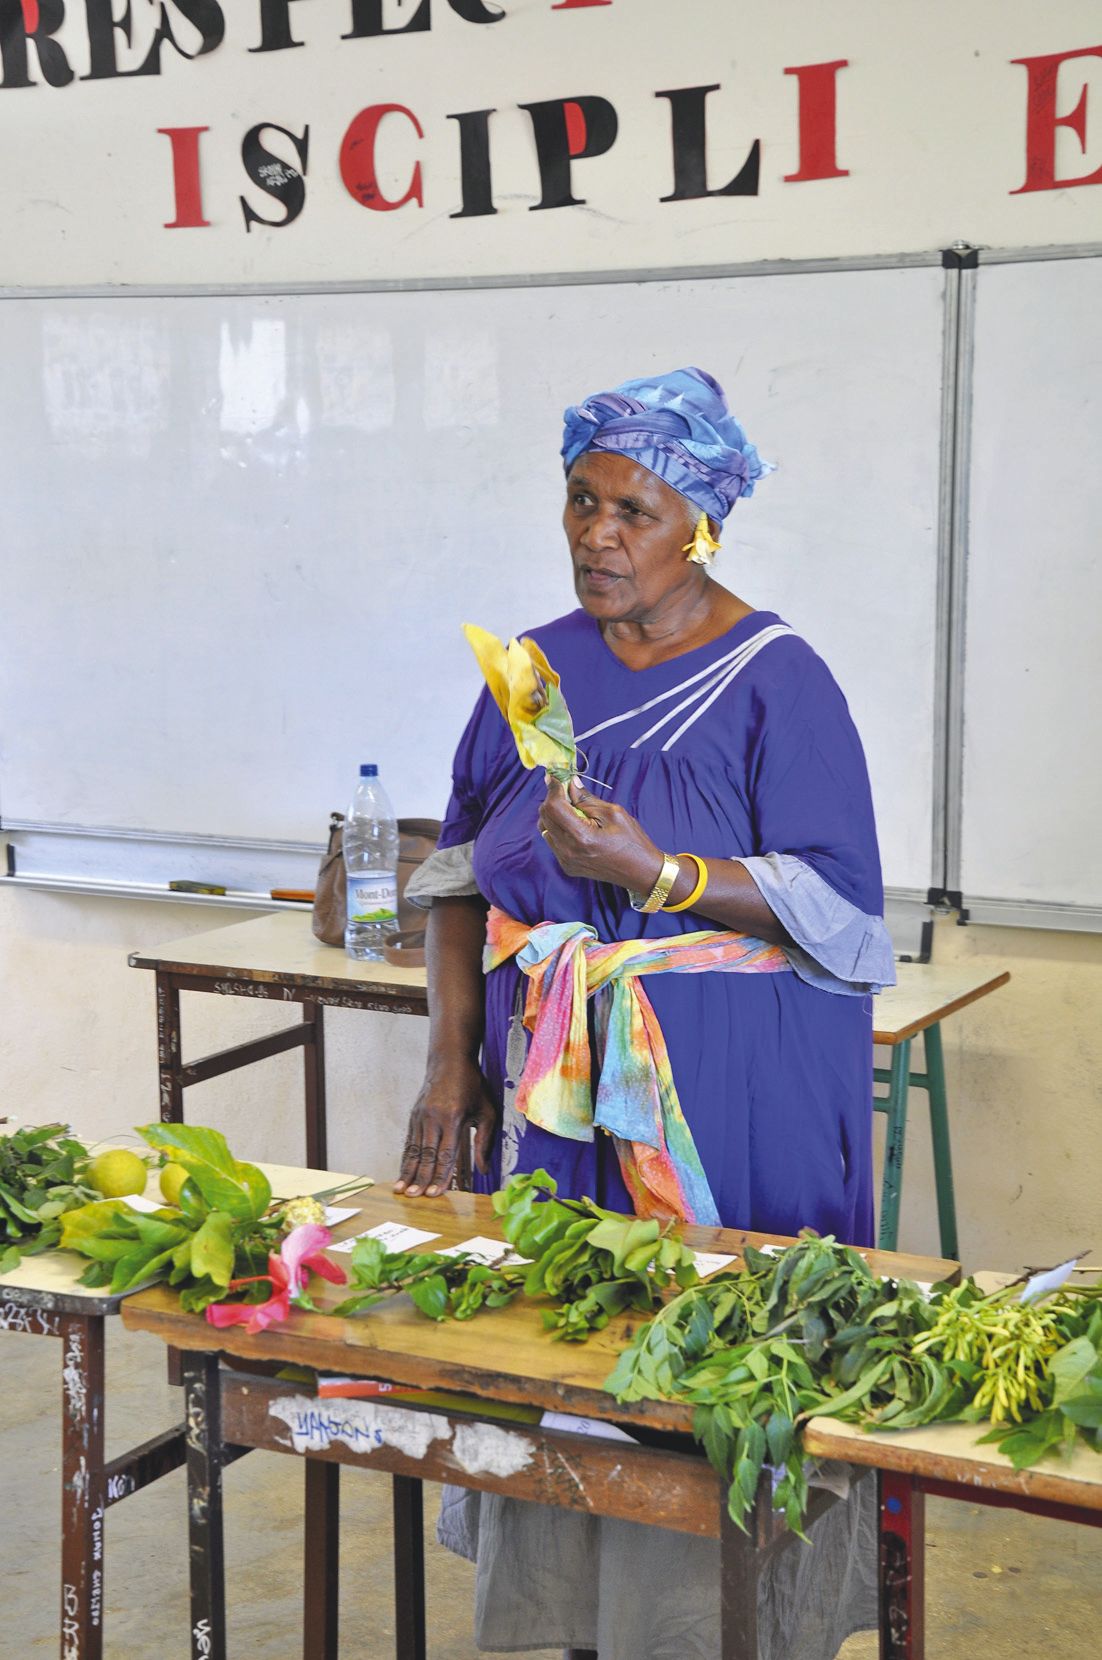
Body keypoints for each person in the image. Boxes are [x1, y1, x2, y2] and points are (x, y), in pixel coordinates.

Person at [396, 367, 895, 1660]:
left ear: (702, 526)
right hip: (567, 1105)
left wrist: (663, 877)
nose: (597, 537)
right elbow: (457, 878)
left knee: (719, 1387)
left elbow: (845, 916)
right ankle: (577, 1633)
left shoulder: (779, 680)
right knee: (574, 1362)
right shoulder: (531, 671)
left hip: (735, 1112)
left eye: (633, 512)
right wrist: (452, 1066)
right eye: (580, 504)